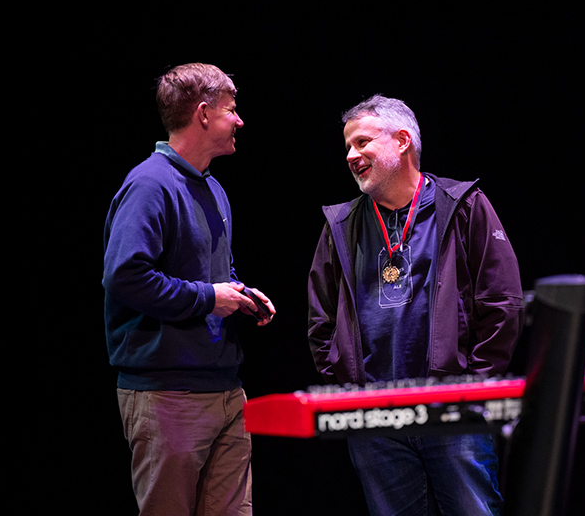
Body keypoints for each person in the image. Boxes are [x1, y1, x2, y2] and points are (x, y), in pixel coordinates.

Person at [307, 94, 524, 515]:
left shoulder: (462, 206)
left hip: (451, 411)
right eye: (348, 147)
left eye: (363, 143)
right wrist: (350, 387)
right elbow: (321, 320)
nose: (352, 156)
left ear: (402, 141)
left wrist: (471, 386)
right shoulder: (342, 224)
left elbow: (503, 302)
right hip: (374, 420)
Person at [103, 62, 276, 516]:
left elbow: (210, 272)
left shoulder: (214, 189)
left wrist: (238, 295)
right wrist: (209, 298)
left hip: (225, 388)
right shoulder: (149, 184)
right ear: (203, 114)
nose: (239, 120)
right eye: (232, 109)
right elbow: (125, 276)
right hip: (167, 393)